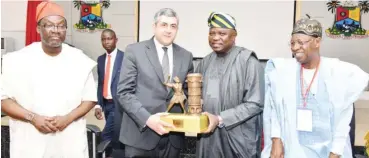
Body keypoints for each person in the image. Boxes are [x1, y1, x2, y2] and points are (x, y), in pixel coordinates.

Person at [261, 17, 369, 158]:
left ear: (317, 42)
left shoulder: (338, 73)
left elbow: (343, 119)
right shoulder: (284, 72)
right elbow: (276, 108)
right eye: (292, 43)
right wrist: (276, 140)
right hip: (293, 147)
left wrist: (335, 152)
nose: (294, 48)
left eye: (300, 42)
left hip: (327, 149)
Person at [1, 2, 97, 158]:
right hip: (30, 144)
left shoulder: (80, 60)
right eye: (50, 25)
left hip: (69, 144)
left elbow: (90, 99)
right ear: (39, 28)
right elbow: (4, 100)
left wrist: (67, 119)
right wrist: (33, 118)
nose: (56, 30)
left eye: (61, 26)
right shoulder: (17, 60)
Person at [116, 8, 194, 158]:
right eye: (164, 25)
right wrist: (148, 119)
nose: (168, 30)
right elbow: (124, 93)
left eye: (173, 26)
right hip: (140, 136)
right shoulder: (134, 51)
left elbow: (187, 94)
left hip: (173, 139)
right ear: (154, 27)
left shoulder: (186, 56)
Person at [195, 12, 264, 158]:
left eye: (222, 33)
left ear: (234, 36)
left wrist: (220, 119)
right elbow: (196, 95)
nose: (215, 38)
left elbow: (255, 103)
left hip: (237, 140)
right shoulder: (205, 62)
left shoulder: (248, 61)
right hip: (208, 139)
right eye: (212, 33)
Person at [95, 29, 125, 158]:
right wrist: (98, 105)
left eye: (109, 38)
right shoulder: (100, 59)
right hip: (106, 104)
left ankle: (104, 155)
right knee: (114, 134)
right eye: (103, 39)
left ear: (116, 40)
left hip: (118, 104)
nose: (106, 42)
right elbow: (101, 83)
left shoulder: (124, 57)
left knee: (106, 135)